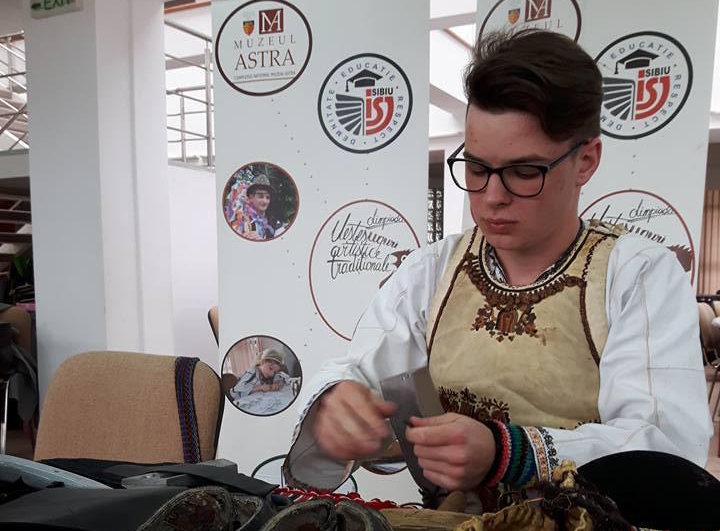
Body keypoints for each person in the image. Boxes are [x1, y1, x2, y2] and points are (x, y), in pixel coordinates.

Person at [284, 28, 712, 499]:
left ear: (586, 160)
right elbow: (358, 370)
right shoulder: (433, 271)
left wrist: (507, 453)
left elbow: (665, 447)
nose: (492, 197)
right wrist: (335, 405)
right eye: (476, 168)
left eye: (524, 172)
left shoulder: (634, 276)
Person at [243, 174, 276, 240]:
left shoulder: (274, 222)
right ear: (250, 198)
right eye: (260, 196)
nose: (265, 201)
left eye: (267, 197)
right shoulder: (242, 220)